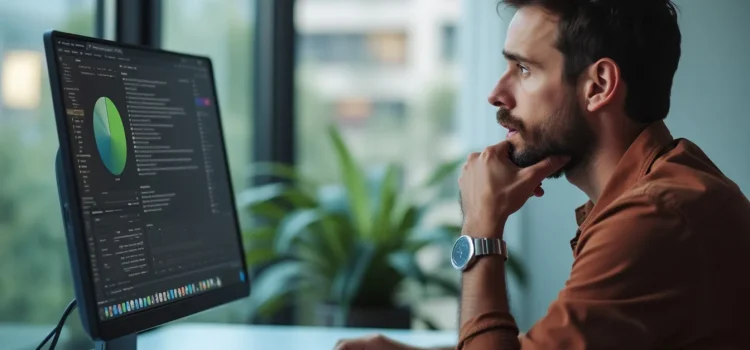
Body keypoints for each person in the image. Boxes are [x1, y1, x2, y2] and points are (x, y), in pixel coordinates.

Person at [335, 0, 750, 349]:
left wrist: (481, 225)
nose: (496, 93)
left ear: (598, 85)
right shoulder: (660, 190)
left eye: (524, 69)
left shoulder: (655, 216)